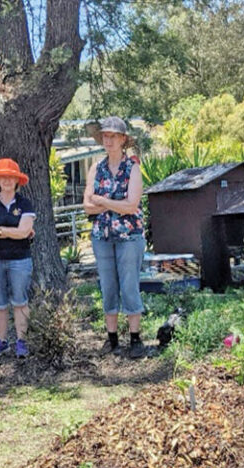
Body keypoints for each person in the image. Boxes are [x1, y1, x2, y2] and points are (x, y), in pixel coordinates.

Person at [83, 116, 147, 358]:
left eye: (113, 136)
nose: (108, 140)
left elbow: (131, 206)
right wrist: (112, 204)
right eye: (105, 136)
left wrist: (102, 201)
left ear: (123, 140)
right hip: (102, 236)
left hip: (129, 236)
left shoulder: (133, 169)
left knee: (129, 285)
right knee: (108, 286)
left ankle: (135, 338)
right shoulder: (95, 168)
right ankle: (111, 339)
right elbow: (87, 206)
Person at [0, 158, 36, 359]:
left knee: (20, 301)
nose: (7, 181)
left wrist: (1, 230)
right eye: (3, 177)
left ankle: (22, 341)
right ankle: (1, 341)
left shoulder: (25, 203)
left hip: (20, 259)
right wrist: (15, 231)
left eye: (11, 177)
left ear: (17, 181)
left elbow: (24, 232)